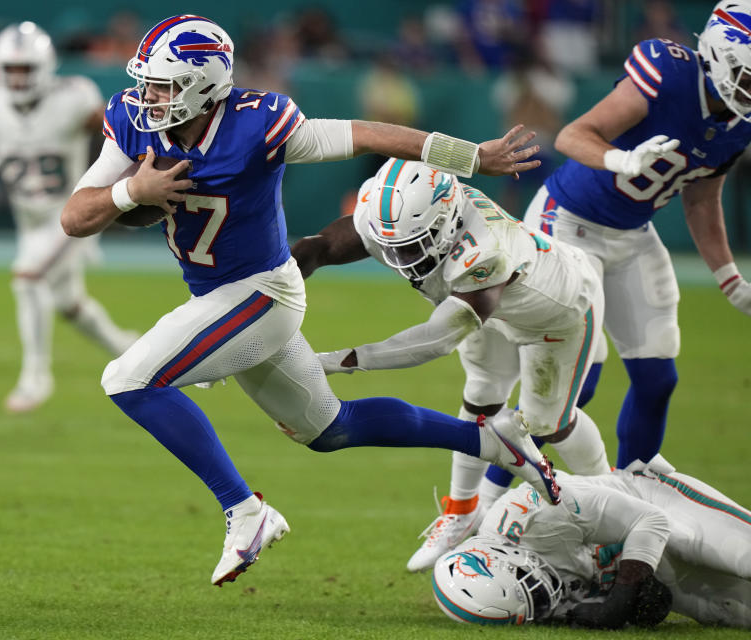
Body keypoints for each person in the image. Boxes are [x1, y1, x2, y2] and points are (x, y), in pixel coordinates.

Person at [60, 14, 556, 587]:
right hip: (220, 296)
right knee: (331, 429)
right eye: (148, 82)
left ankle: (245, 511)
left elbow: (367, 134)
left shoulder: (257, 125)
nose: (150, 96)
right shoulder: (134, 121)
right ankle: (493, 441)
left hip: (261, 293)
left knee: (128, 379)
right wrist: (131, 191)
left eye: (165, 84)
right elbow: (75, 217)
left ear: (203, 85)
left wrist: (470, 157)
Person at [291, 159, 610, 574]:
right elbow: (319, 248)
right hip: (488, 305)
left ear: (447, 221)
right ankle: (461, 511)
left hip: (557, 311)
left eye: (411, 243)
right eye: (392, 244)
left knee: (548, 424)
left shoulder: (484, 250)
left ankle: (612, 498)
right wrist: (265, 294)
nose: (398, 255)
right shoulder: (391, 218)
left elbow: (435, 340)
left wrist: (334, 362)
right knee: (481, 395)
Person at [521, 1, 751, 470]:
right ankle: (489, 501)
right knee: (576, 382)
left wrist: (730, 279)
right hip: (567, 221)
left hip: (631, 233)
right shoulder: (668, 72)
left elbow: (703, 199)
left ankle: (632, 501)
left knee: (657, 378)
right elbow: (572, 135)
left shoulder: (738, 124)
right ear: (722, 57)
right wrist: (619, 159)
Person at [0, 22, 138, 413]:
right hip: (31, 219)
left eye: (26, 69)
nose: (18, 78)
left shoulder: (72, 98)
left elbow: (117, 136)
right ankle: (129, 348)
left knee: (28, 277)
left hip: (70, 210)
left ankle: (36, 376)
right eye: (12, 69)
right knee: (69, 304)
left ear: (46, 66)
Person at [432, 456, 751, 629]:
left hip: (655, 502)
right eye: (537, 601)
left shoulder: (540, 512)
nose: (547, 596)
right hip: (648, 561)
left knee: (740, 556)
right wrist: (637, 606)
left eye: (529, 583)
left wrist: (624, 593)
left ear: (504, 556)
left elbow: (651, 521)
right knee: (736, 614)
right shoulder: (528, 598)